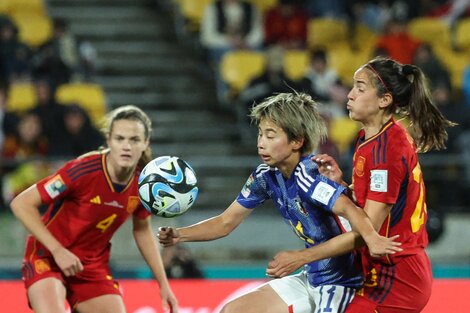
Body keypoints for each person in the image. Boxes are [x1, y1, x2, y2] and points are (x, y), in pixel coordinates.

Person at [158, 92, 402, 313]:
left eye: (270, 135)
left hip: (343, 283)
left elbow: (352, 211)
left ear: (296, 141)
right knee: (233, 311)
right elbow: (225, 222)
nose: (260, 142)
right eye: (260, 134)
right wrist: (180, 235)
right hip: (312, 276)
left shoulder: (310, 176)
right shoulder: (265, 176)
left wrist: (372, 239)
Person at [313, 56, 456, 313]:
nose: (350, 94)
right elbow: (372, 201)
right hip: (380, 269)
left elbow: (368, 228)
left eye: (360, 87)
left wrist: (303, 257)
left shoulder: (387, 148)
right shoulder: (369, 139)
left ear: (384, 100)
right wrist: (342, 185)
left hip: (397, 276)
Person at [10, 105, 178, 313]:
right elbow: (21, 204)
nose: (126, 146)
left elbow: (142, 230)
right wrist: (58, 250)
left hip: (90, 266)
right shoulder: (82, 171)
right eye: (120, 139)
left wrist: (163, 283)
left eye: (134, 140)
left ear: (145, 143)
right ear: (109, 141)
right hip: (48, 256)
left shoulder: (143, 186)